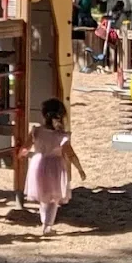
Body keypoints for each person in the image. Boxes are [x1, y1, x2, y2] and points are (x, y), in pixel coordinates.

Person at [21, 98, 86, 235]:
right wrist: (80, 169)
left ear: (44, 115)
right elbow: (71, 155)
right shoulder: (61, 135)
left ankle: (45, 222)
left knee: (42, 195)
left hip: (37, 163)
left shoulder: (36, 131)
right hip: (55, 166)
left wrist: (22, 154)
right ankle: (47, 225)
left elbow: (25, 148)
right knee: (53, 198)